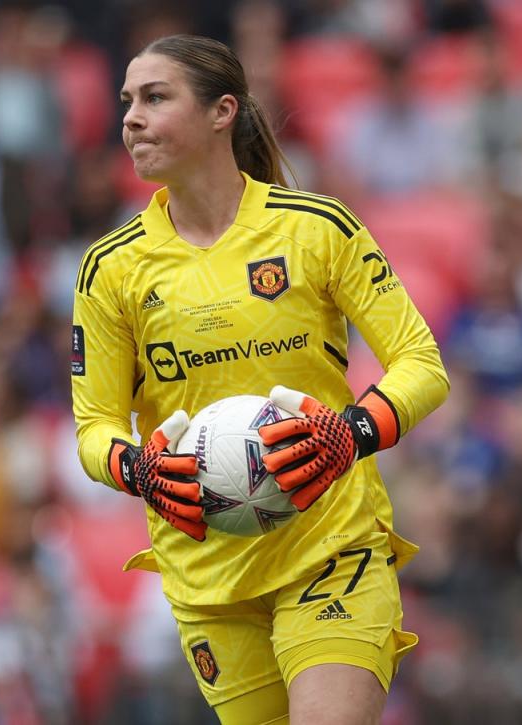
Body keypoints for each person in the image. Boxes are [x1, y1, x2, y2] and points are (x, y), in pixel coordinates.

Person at [71, 34, 449, 724]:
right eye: (126, 101)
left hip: (330, 549)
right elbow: (93, 430)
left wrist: (349, 435)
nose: (130, 117)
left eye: (155, 97)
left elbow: (422, 364)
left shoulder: (316, 229)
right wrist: (139, 469)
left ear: (222, 111)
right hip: (209, 578)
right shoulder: (111, 269)